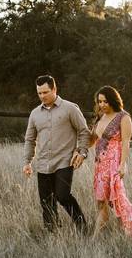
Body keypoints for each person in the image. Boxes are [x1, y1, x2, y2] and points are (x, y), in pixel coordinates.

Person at [22, 75, 90, 233]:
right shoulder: (35, 114)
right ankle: (52, 232)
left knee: (63, 195)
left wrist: (82, 151)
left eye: (45, 92)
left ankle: (82, 227)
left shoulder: (70, 108)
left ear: (54, 89)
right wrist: (27, 162)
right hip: (43, 163)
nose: (42, 96)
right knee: (46, 203)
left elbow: (84, 132)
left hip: (64, 161)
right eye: (39, 93)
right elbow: (30, 139)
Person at [90, 86, 132, 238]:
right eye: (100, 102)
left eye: (105, 101)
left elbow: (125, 142)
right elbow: (93, 139)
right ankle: (96, 238)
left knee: (117, 201)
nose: (102, 105)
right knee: (101, 202)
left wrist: (123, 164)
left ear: (113, 100)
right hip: (100, 165)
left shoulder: (123, 117)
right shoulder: (100, 116)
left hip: (113, 165)